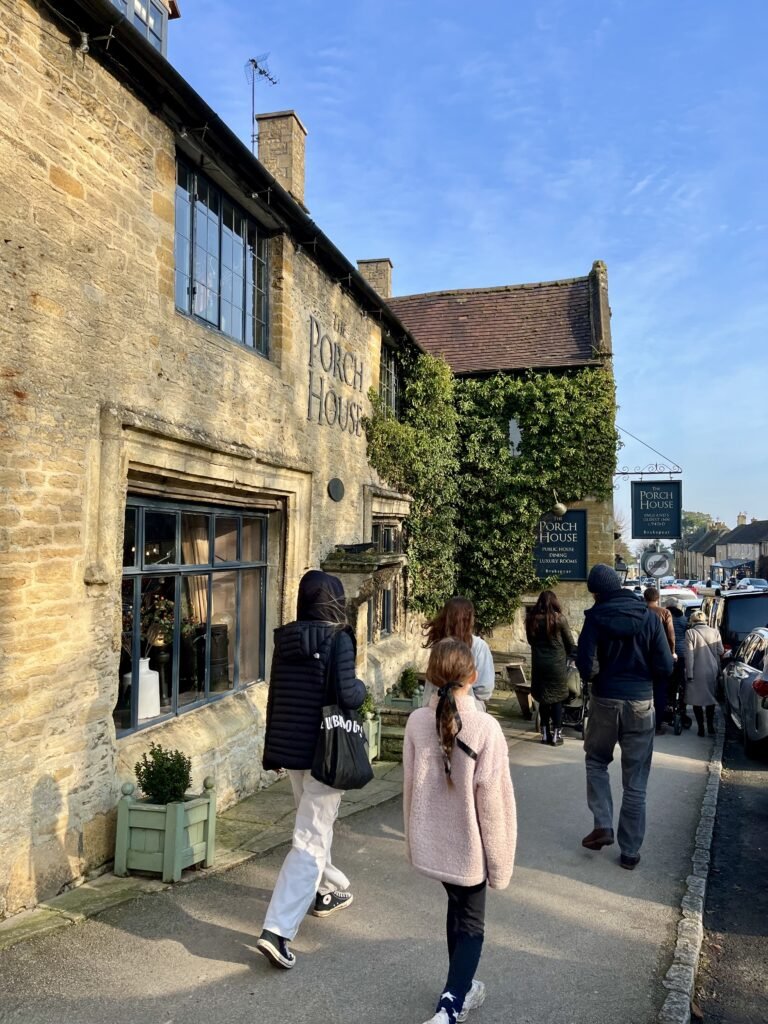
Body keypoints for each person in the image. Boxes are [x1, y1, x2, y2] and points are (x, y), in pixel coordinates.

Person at [256, 570, 366, 970]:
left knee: (314, 827)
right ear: (334, 601)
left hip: (294, 751)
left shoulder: (285, 638)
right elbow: (348, 693)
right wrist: (364, 688)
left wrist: (272, 752)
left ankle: (324, 891)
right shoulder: (339, 638)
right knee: (310, 839)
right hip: (326, 752)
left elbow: (276, 697)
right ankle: (277, 930)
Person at [403, 638, 517, 1024]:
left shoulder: (417, 722)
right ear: (473, 676)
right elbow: (494, 804)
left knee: (457, 909)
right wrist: (499, 865)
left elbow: (409, 788)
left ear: (432, 676)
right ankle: (449, 1007)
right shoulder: (485, 728)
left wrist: (413, 841)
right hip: (470, 846)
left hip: (431, 842)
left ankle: (461, 987)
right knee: (471, 924)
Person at [576, 564, 673, 870]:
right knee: (635, 782)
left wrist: (601, 675)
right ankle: (630, 851)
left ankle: (603, 824)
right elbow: (665, 667)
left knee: (596, 761)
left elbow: (585, 665)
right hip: (641, 701)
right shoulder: (649, 617)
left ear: (596, 593)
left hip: (605, 699)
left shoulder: (595, 619)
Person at [423, 597, 495, 708]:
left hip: (434, 707)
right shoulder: (479, 646)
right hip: (467, 708)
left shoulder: (439, 645)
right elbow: (485, 689)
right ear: (469, 619)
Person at [525, 590, 576, 746]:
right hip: (557, 665)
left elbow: (530, 641)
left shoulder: (531, 619)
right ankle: (557, 735)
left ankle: (545, 733)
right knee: (557, 699)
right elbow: (570, 643)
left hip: (539, 664)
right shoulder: (559, 619)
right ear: (554, 602)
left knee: (543, 698)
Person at [685, 610, 724, 737]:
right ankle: (710, 726)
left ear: (692, 620)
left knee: (697, 700)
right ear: (705, 620)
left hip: (696, 670)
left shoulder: (690, 633)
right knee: (710, 698)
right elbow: (721, 650)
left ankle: (701, 728)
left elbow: (689, 655)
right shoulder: (715, 632)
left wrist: (689, 674)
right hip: (712, 669)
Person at [644, 587, 676, 735]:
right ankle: (657, 724)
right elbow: (670, 636)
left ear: (644, 598)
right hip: (660, 655)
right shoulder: (664, 612)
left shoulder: (641, 612)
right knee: (660, 690)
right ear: (657, 598)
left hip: (643, 656)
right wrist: (672, 652)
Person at [667, 598, 689, 726]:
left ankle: (669, 705)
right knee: (681, 681)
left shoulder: (665, 617)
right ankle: (681, 708)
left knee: (668, 680)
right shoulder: (683, 619)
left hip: (668, 652)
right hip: (681, 653)